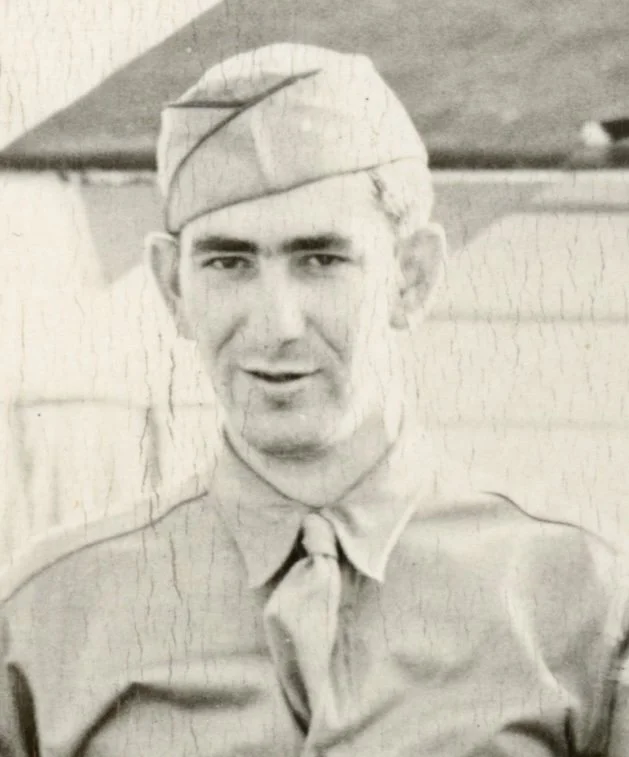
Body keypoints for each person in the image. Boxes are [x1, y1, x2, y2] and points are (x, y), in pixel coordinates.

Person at [0, 43, 628, 757]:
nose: (277, 324)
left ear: (412, 277)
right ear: (173, 286)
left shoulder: (575, 603)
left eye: (321, 260)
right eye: (228, 262)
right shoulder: (48, 620)